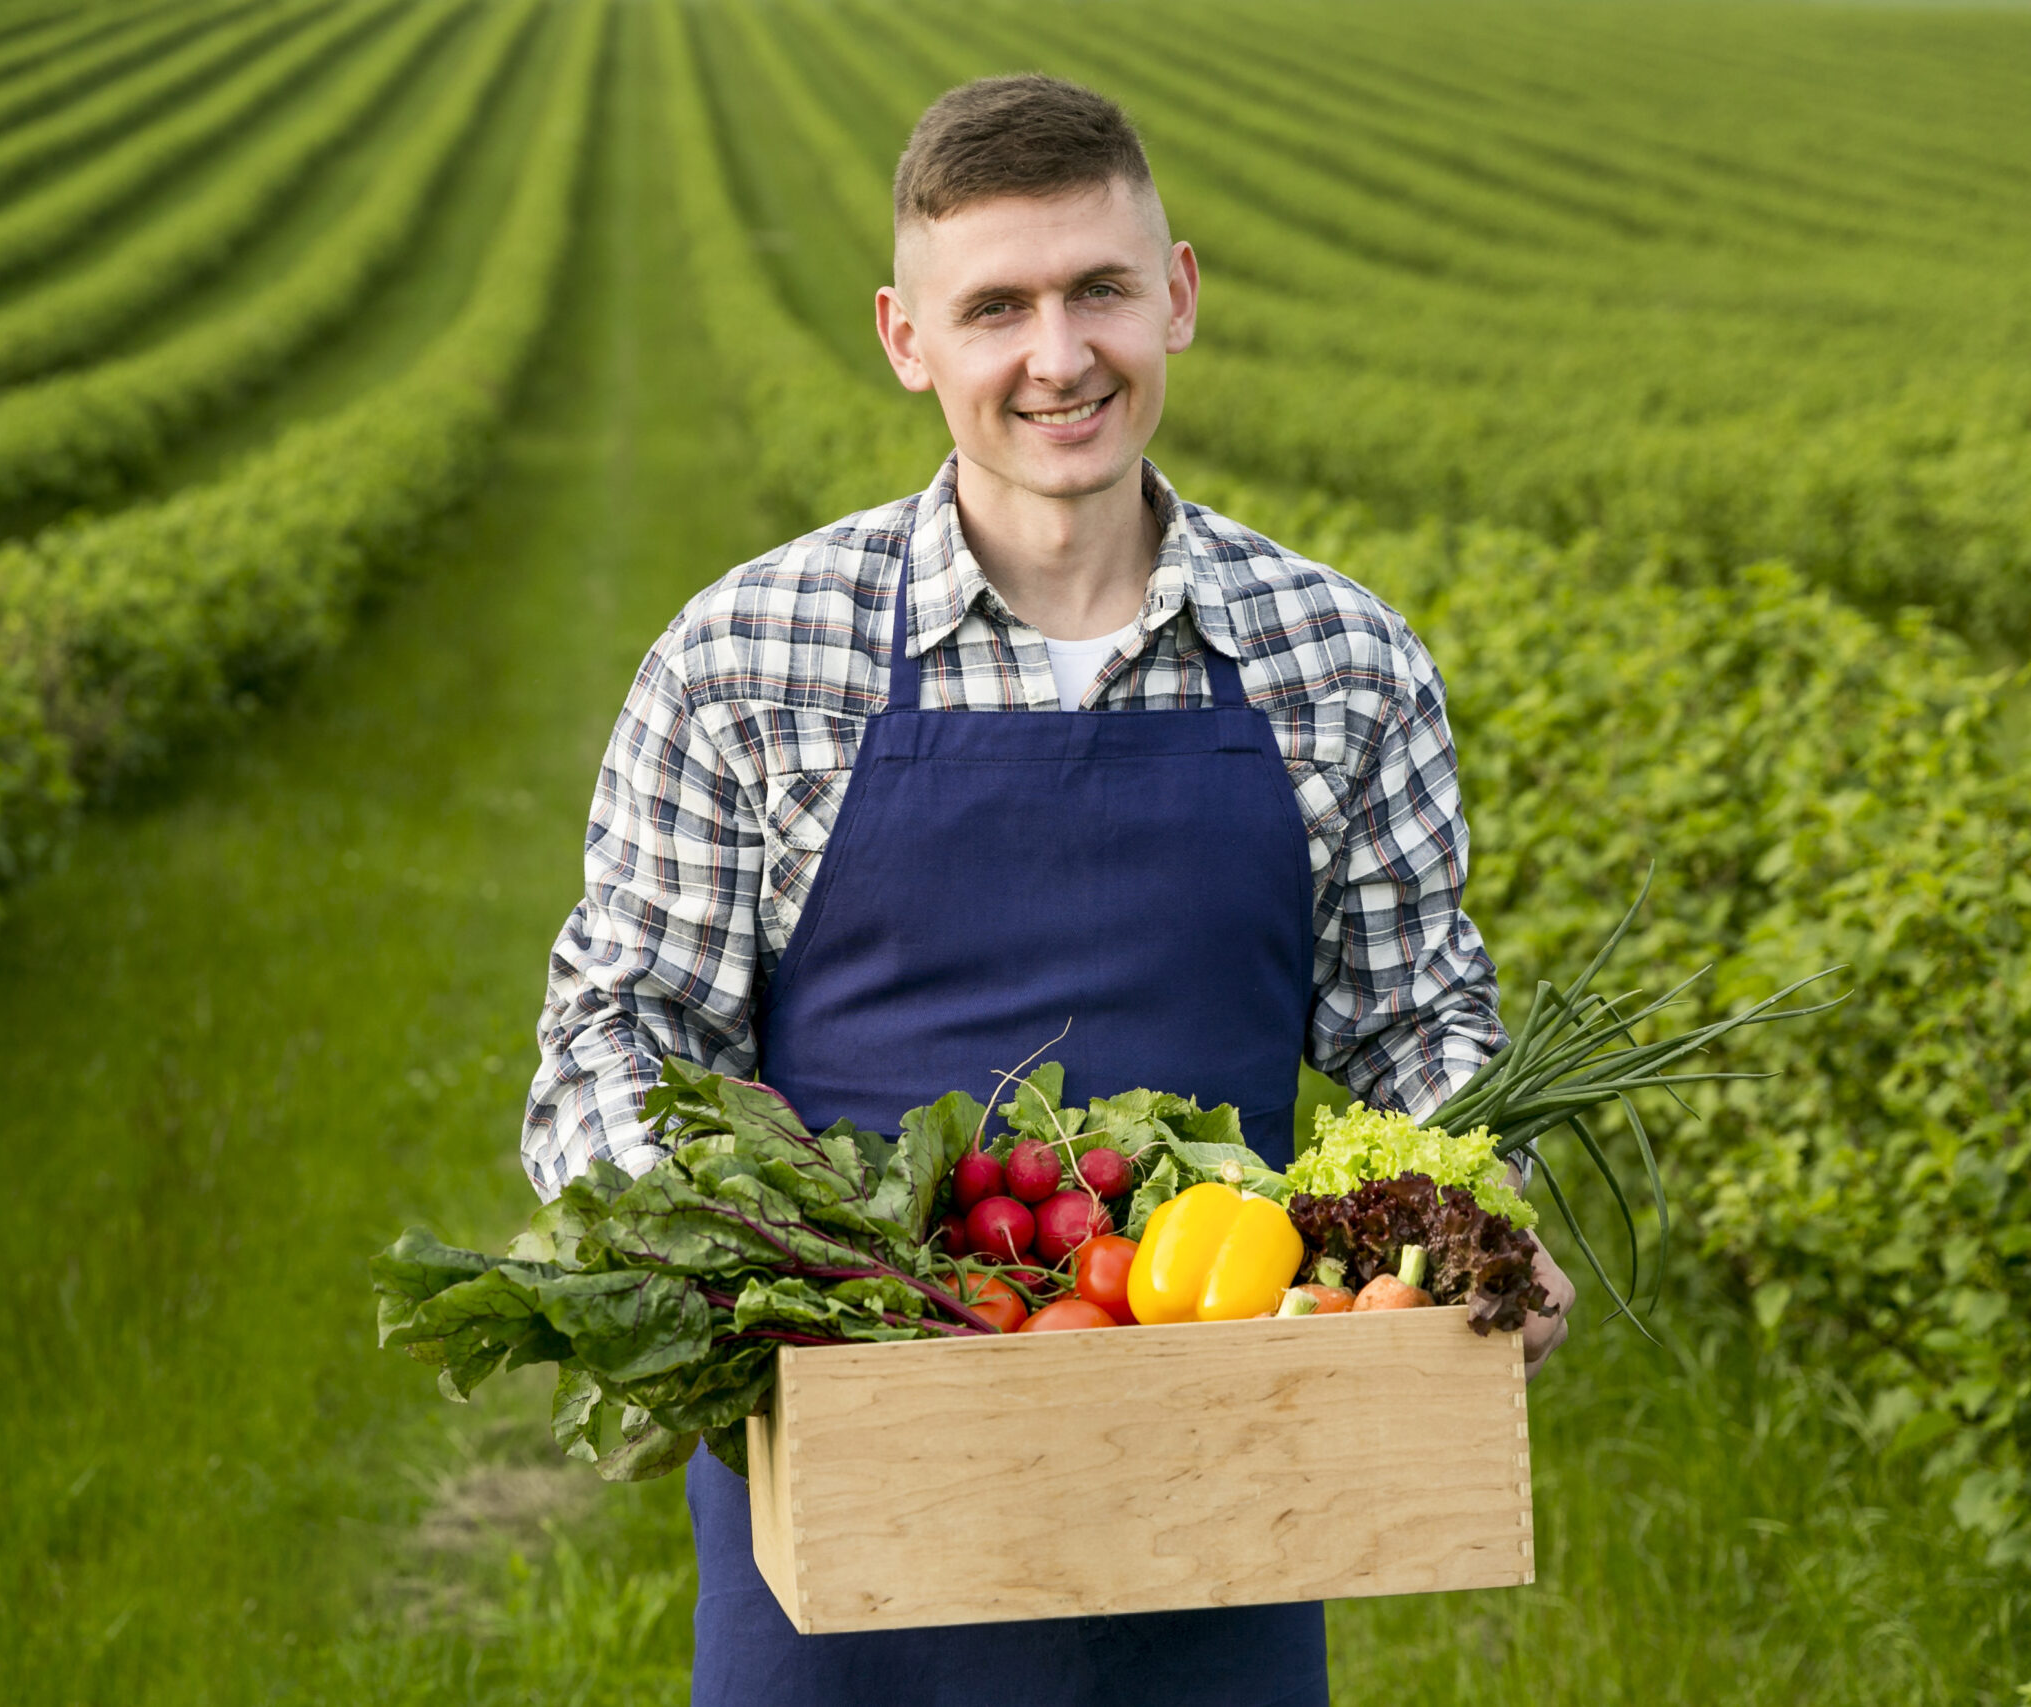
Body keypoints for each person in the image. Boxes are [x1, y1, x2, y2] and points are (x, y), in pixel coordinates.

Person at [522, 71, 1573, 1707]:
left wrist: (1483, 1224)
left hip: (1222, 1466)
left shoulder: (1341, 663)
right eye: (994, 306)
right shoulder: (745, 658)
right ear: (904, 336)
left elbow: (1417, 1018)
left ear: (1179, 293)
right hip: (849, 1473)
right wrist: (731, 1265)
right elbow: (616, 1028)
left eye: (1098, 289)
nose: (1058, 356)